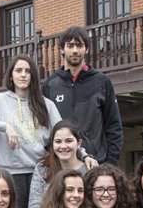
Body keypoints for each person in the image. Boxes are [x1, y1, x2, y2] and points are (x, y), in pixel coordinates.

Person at [0, 55, 62, 208]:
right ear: (11, 75)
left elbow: (63, 133)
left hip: (40, 173)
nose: (23, 75)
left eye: (27, 71)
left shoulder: (46, 104)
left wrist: (84, 155)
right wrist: (5, 127)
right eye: (18, 70)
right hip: (10, 173)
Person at [42, 25, 123, 164]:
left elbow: (114, 126)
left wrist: (109, 164)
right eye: (70, 46)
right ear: (62, 49)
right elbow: (44, 129)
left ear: (86, 49)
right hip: (62, 165)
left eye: (79, 45)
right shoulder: (50, 85)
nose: (75, 50)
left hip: (96, 163)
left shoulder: (102, 82)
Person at [27, 120, 94, 208]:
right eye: (58, 141)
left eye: (69, 141)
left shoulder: (89, 169)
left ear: (79, 143)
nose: (63, 146)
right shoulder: (43, 169)